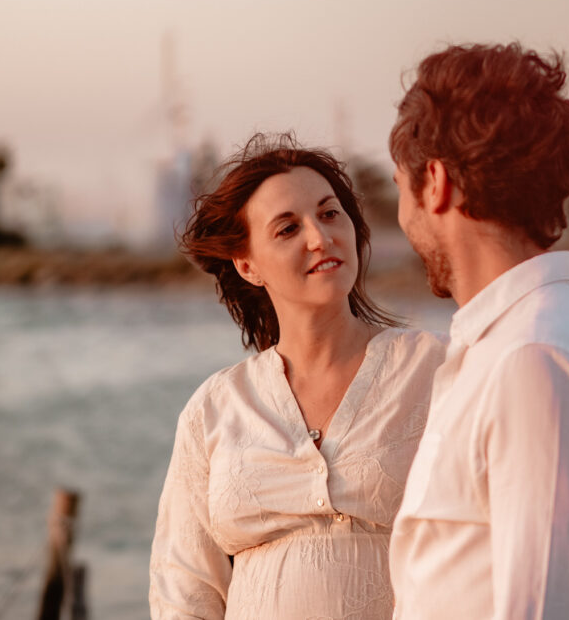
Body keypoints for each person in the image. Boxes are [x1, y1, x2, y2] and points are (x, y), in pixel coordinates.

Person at [389, 43, 569, 618]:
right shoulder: (520, 342)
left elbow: (547, 606)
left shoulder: (534, 358)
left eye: (400, 189)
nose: (403, 217)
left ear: (435, 183)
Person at [149, 134, 447, 619]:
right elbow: (184, 590)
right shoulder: (216, 407)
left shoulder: (434, 368)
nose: (319, 237)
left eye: (330, 214)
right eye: (287, 229)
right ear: (247, 266)